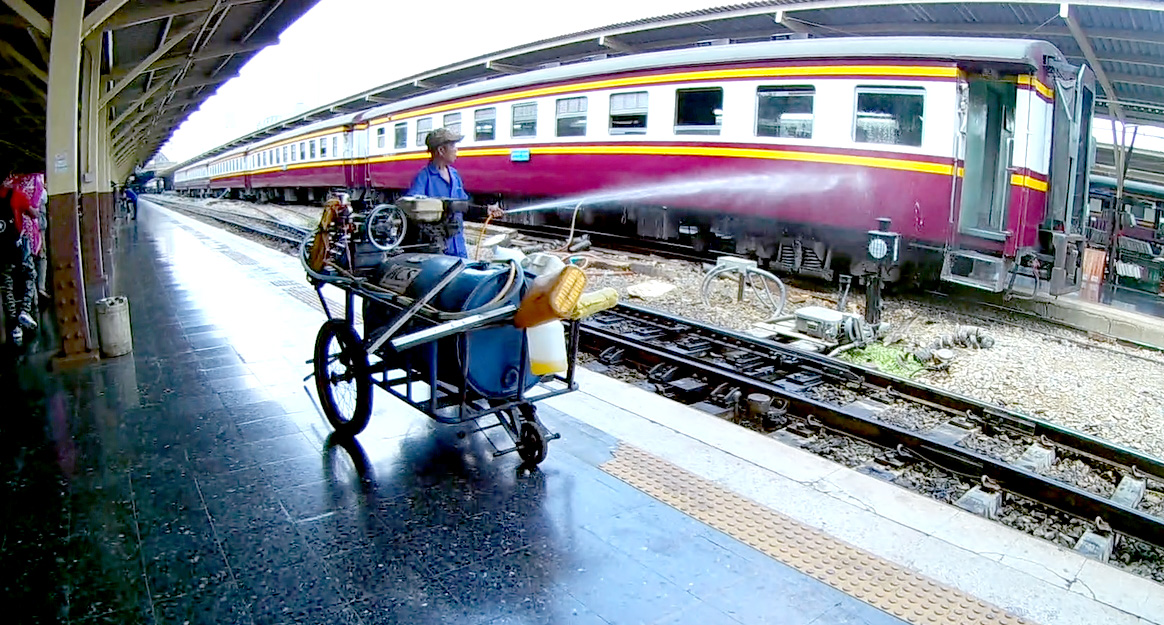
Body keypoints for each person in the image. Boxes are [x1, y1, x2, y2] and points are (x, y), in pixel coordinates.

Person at [405, 127, 503, 258]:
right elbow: (414, 210)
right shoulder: (423, 178)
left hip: (458, 246)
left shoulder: (454, 175)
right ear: (441, 150)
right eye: (452, 145)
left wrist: (485, 211)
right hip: (436, 249)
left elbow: (463, 207)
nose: (456, 149)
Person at [0, 183, 39, 346]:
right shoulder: (15, 194)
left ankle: (15, 328)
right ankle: (24, 309)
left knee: (6, 285)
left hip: (0, 249)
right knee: (30, 275)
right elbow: (33, 214)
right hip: (17, 244)